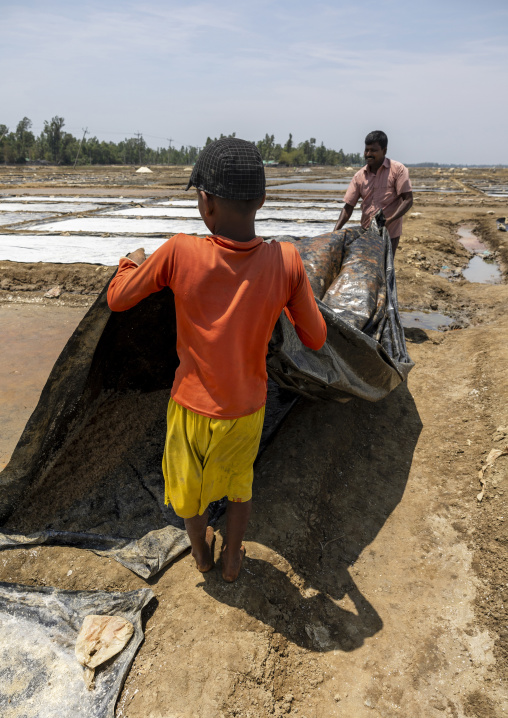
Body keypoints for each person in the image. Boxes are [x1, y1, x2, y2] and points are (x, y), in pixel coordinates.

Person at [107, 138, 327, 582]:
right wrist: (282, 299)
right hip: (246, 408)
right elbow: (317, 338)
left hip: (190, 407)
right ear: (262, 199)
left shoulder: (178, 252)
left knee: (189, 492)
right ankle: (233, 559)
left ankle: (201, 556)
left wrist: (129, 263)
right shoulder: (286, 261)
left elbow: (117, 300)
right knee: (238, 483)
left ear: (205, 202)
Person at [333, 130, 413, 255]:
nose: (368, 154)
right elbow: (348, 206)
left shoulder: (398, 170)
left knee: (385, 268)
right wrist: (335, 231)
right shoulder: (359, 176)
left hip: (389, 233)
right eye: (366, 150)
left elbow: (408, 200)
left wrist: (389, 220)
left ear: (384, 151)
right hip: (366, 232)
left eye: (373, 150)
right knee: (367, 267)